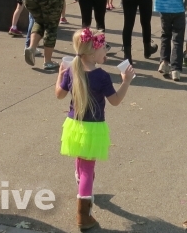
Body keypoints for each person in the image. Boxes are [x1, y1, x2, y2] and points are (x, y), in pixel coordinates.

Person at [56, 28, 135, 230]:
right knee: (88, 171)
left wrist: (60, 75)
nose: (106, 51)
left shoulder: (72, 70)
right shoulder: (102, 76)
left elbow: (59, 95)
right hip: (94, 128)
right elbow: (115, 101)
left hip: (74, 125)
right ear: (92, 53)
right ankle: (84, 214)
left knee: (81, 158)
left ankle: (79, 177)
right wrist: (126, 82)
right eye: (103, 48)